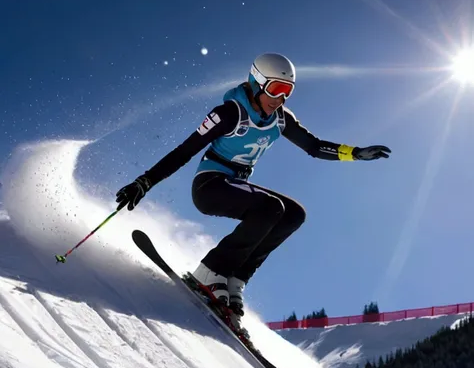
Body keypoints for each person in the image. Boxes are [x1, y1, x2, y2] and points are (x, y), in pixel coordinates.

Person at [116, 53, 391, 325]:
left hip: (237, 186)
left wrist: (355, 153)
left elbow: (314, 146)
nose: (280, 99)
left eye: (288, 92)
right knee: (272, 207)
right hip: (210, 185)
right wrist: (144, 182)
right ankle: (210, 272)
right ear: (257, 82)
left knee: (294, 214)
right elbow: (185, 151)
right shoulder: (229, 113)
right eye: (276, 89)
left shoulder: (282, 119)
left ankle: (236, 277)